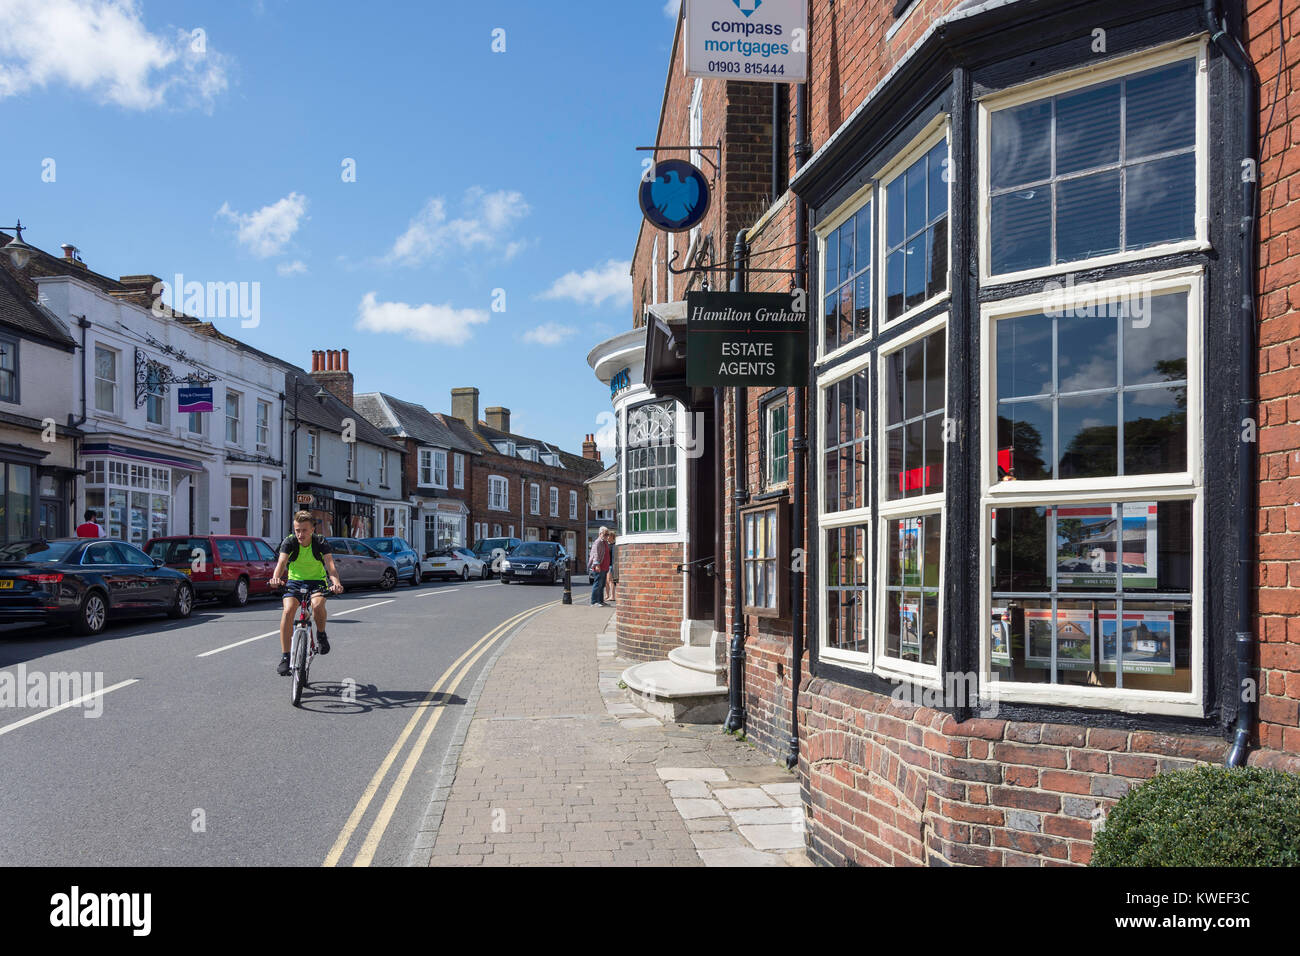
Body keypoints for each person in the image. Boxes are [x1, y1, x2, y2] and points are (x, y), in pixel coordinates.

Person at [268, 511, 343, 676]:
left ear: (313, 529)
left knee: (317, 605)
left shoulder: (320, 542)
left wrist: (336, 583)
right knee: (288, 611)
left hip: (317, 582)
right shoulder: (289, 542)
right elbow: (281, 563)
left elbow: (330, 567)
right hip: (295, 582)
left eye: (304, 530)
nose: (300, 534)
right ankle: (286, 657)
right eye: (297, 530)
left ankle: (321, 634)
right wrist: (275, 578)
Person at [588, 526, 611, 608]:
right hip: (599, 566)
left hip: (604, 567)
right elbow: (595, 554)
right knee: (597, 584)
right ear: (600, 534)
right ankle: (594, 602)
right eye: (605, 534)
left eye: (608, 534)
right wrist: (597, 564)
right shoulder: (598, 542)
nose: (607, 536)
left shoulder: (605, 542)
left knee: (601, 585)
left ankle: (600, 601)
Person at [604, 531, 617, 604]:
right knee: (606, 581)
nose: (607, 537)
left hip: (611, 565)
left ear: (612, 537)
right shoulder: (606, 544)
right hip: (606, 565)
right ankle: (607, 595)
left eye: (608, 536)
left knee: (610, 580)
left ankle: (612, 596)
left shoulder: (615, 545)